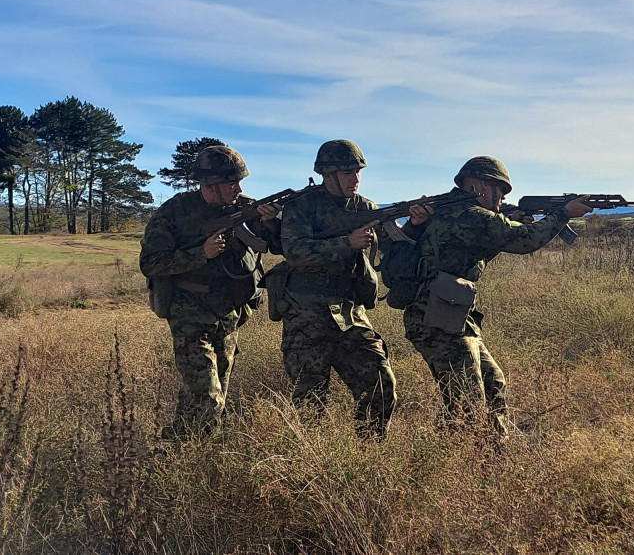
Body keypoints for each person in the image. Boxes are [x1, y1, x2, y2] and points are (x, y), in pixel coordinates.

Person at [403, 156, 592, 437]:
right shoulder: (470, 215)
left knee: (492, 383)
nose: (502, 198)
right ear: (478, 185)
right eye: (500, 191)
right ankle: (467, 459)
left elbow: (481, 247)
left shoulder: (457, 212)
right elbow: (522, 241)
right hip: (435, 316)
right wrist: (563, 213)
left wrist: (510, 220)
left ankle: (492, 450)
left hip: (450, 312)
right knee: (467, 400)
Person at [278, 139, 429, 438]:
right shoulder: (301, 206)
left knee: (381, 385)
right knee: (310, 400)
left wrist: (415, 224)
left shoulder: (367, 208)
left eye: (358, 171)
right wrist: (347, 243)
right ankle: (312, 466)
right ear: (327, 174)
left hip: (349, 311)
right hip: (306, 312)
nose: (355, 178)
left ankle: (367, 452)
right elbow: (294, 251)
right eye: (347, 172)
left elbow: (395, 248)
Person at [140, 145, 282, 439]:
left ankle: (179, 444)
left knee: (207, 393)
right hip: (190, 313)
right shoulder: (174, 212)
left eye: (240, 181)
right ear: (209, 184)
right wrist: (200, 253)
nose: (238, 188)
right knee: (209, 399)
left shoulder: (247, 208)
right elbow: (150, 262)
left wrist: (269, 222)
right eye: (232, 182)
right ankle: (205, 458)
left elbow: (279, 246)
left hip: (230, 314)